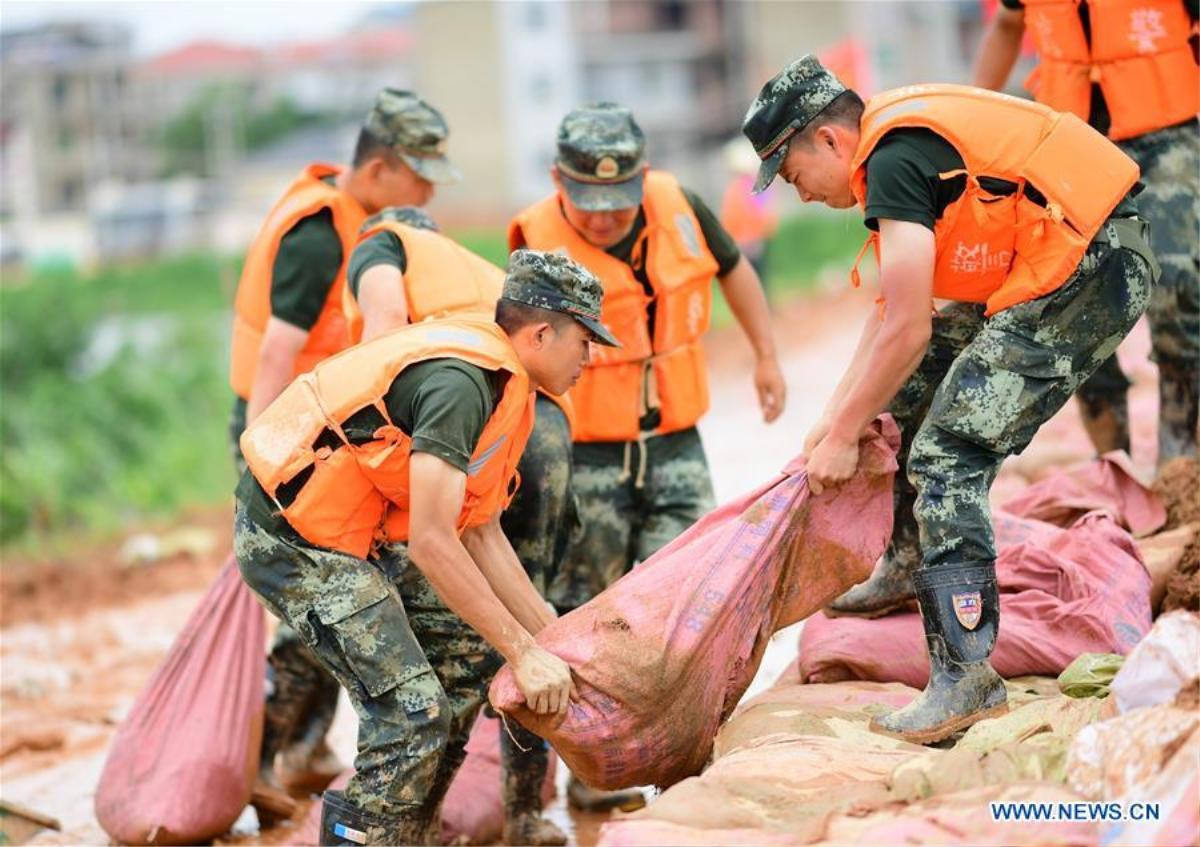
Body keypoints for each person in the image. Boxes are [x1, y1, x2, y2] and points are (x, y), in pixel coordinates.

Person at [743, 55, 1157, 742]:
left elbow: (907, 326)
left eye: (792, 176)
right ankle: (908, 562)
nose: (801, 195)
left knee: (947, 454)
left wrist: (845, 435)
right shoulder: (895, 150)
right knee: (899, 403)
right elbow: (892, 320)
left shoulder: (896, 160)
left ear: (828, 141)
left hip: (1093, 262)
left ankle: (966, 675)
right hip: (1053, 259)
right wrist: (834, 422)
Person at [234, 249, 618, 845]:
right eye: (584, 343)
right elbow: (434, 542)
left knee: (467, 658)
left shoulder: (506, 386)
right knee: (412, 714)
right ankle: (361, 835)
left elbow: (480, 529)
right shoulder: (462, 385)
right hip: (291, 536)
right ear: (542, 333)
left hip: (349, 535)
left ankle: (410, 832)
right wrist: (522, 652)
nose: (589, 361)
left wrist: (547, 638)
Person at [508, 102, 786, 809]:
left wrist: (764, 354)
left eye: (619, 198)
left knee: (691, 600)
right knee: (586, 615)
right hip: (586, 453)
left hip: (674, 443)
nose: (604, 217)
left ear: (644, 176)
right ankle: (588, 769)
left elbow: (735, 269)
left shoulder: (680, 204)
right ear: (557, 179)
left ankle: (677, 751)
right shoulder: (533, 236)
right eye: (588, 201)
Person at [226, 89, 459, 797]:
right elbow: (277, 352)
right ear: (384, 168)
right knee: (322, 598)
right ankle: (268, 756)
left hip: (327, 438)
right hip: (288, 442)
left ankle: (297, 749)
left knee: (349, 589)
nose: (427, 191)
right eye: (420, 176)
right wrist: (259, 464)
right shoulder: (322, 234)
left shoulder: (363, 224)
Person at [343, 206, 571, 845]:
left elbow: (384, 328)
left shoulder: (380, 246)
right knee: (529, 624)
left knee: (459, 643)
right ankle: (525, 814)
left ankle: (413, 819)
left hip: (465, 444)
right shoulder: (483, 277)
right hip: (535, 431)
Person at [973, 0, 1199, 462]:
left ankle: (1183, 460)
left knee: (1178, 283)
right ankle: (1115, 465)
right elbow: (1008, 23)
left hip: (1165, 132)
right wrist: (969, 127)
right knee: (1070, 295)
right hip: (1070, 138)